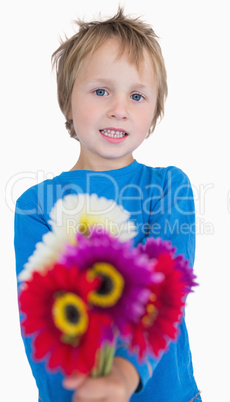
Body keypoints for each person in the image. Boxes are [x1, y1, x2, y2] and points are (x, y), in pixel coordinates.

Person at [14, 8, 201, 402]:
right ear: (67, 103)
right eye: (101, 91)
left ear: (153, 114)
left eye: (136, 95)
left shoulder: (169, 187)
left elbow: (167, 285)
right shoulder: (35, 206)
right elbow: (39, 318)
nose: (120, 108)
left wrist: (121, 375)